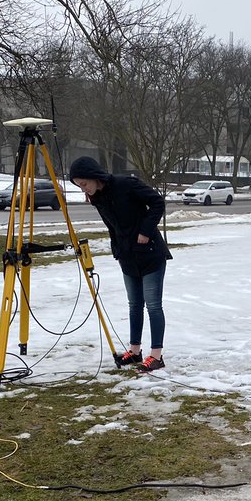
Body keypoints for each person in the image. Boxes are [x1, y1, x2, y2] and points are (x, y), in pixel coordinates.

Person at [68, 156, 171, 373]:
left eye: (84, 184)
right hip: (127, 257)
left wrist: (145, 231)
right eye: (79, 186)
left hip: (151, 253)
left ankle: (156, 356)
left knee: (153, 305)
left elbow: (157, 202)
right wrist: (116, 247)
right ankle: (135, 352)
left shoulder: (125, 184)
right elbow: (112, 225)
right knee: (134, 305)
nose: (83, 189)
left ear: (95, 177)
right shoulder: (98, 197)